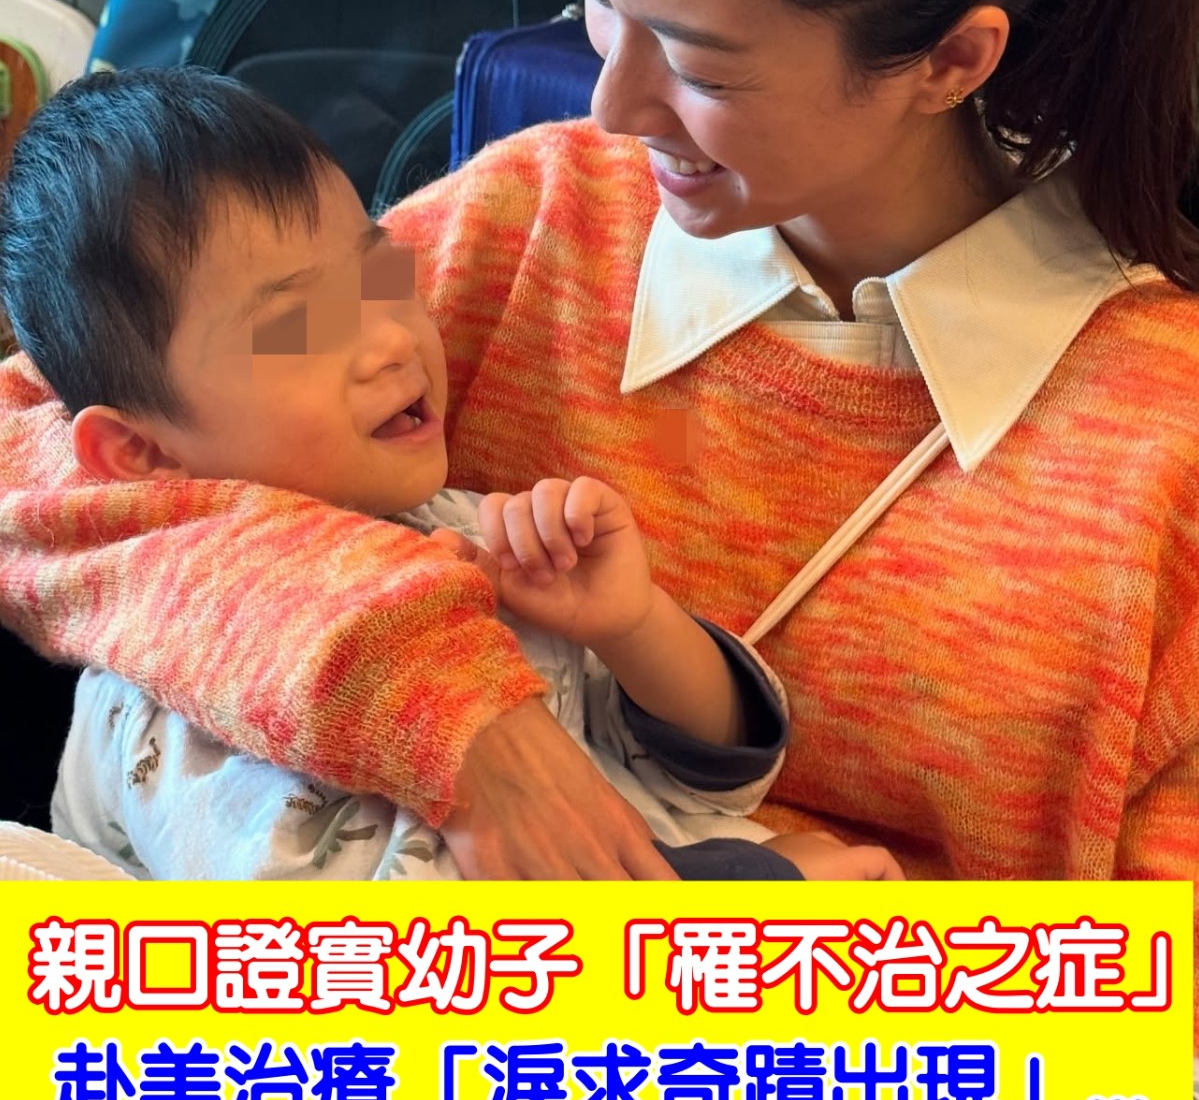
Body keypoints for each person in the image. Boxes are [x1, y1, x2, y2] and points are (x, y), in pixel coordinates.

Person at [0, 0, 1194, 994]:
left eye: (698, 64)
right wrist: (430, 700)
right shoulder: (534, 222)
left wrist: (736, 948)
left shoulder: (1153, 456)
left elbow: (1137, 1026)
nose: (611, 106)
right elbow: (57, 441)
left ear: (947, 59)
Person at [2, 67, 901, 883]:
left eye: (380, 277)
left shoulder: (464, 529)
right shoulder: (174, 704)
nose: (392, 338)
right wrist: (751, 894)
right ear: (140, 453)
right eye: (300, 326)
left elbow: (714, 773)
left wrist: (635, 629)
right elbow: (383, 958)